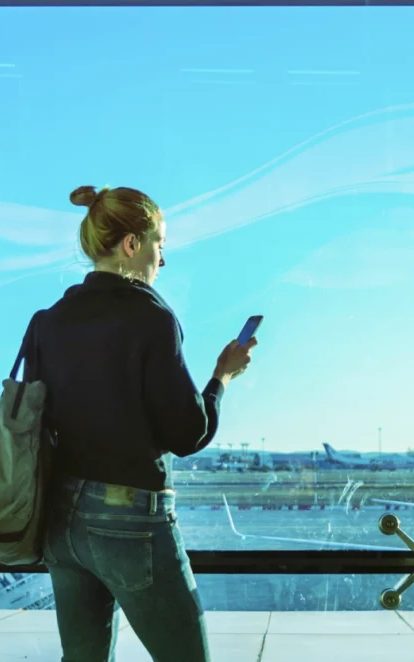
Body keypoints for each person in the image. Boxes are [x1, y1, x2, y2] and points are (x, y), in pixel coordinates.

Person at [34, 184, 256, 661]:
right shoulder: (150, 316)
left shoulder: (47, 322)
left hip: (60, 522)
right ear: (132, 244)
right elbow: (187, 433)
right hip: (127, 519)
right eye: (159, 243)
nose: (163, 259)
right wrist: (221, 378)